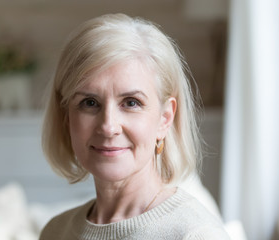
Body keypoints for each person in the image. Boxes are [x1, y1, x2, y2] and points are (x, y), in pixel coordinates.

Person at [40, 13, 230, 239]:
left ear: (165, 118)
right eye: (89, 103)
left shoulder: (195, 234)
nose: (109, 126)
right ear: (66, 116)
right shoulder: (55, 232)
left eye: (131, 103)